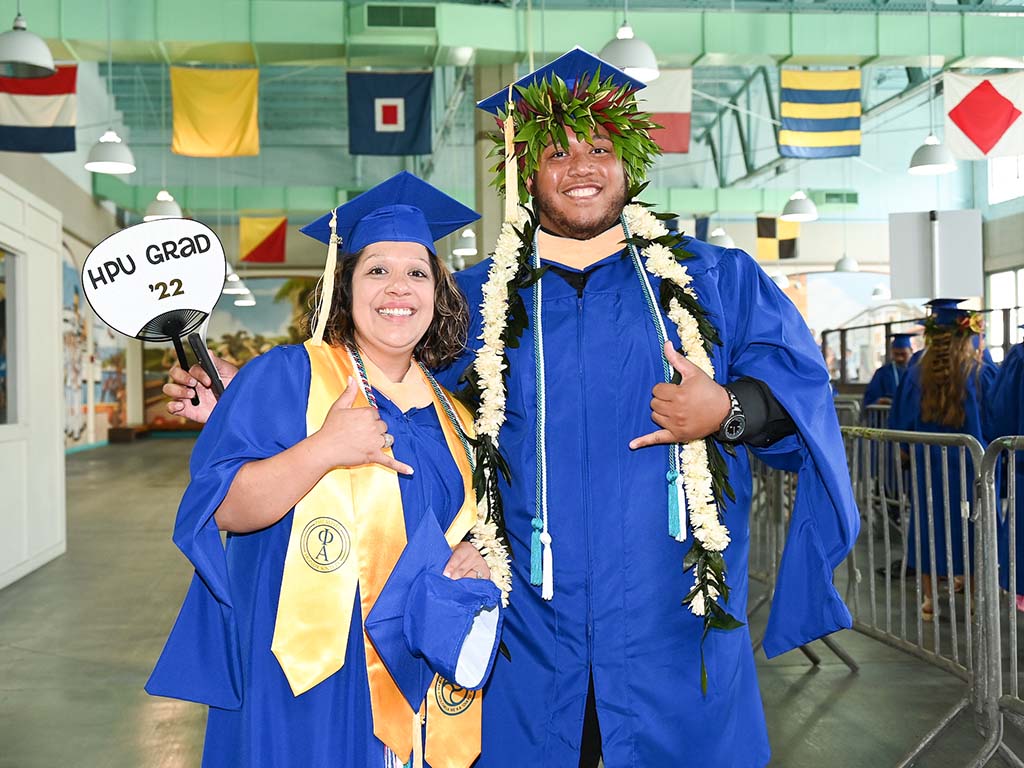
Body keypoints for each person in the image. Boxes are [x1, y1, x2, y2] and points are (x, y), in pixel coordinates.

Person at [167, 49, 858, 768]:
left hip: (671, 628)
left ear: (631, 160)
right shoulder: (477, 298)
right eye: (556, 152)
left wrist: (726, 410)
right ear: (528, 173)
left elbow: (800, 402)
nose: (581, 165)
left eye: (599, 147)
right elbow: (377, 372)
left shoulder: (716, 281)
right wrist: (252, 394)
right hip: (527, 635)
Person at [148, 172, 511, 768]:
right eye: (377, 271)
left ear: (439, 294)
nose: (399, 288)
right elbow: (229, 510)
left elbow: (458, 522)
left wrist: (474, 550)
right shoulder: (287, 376)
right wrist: (324, 447)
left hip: (414, 669)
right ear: (344, 289)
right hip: (306, 673)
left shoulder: (456, 416)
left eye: (417, 273)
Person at [889, 306, 997, 620]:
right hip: (970, 469)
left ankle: (929, 601)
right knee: (975, 528)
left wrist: (909, 450)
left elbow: (902, 422)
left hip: (929, 469)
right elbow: (995, 421)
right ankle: (977, 600)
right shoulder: (979, 373)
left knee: (927, 525)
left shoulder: (915, 374)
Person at [863, 332, 914, 408]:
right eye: (896, 354)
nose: (899, 358)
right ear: (891, 352)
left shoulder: (918, 372)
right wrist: (880, 401)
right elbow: (870, 399)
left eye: (903, 354)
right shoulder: (882, 373)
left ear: (911, 351)